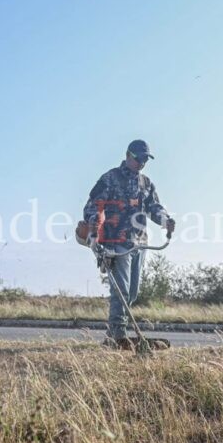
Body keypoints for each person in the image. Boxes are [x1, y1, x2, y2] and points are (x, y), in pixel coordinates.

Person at [83, 139, 175, 349]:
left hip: (140, 243)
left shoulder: (146, 183)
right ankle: (117, 335)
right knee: (121, 291)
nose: (142, 163)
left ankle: (112, 334)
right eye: (138, 158)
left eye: (145, 159)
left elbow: (154, 207)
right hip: (116, 242)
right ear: (128, 155)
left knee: (132, 292)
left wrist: (165, 221)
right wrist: (94, 231)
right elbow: (94, 206)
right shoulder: (110, 178)